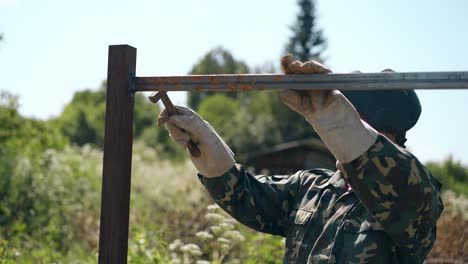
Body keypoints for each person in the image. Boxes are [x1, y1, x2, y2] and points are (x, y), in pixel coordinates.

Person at [157, 55, 444, 263]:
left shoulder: (417, 197)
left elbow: (399, 178)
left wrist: (340, 123)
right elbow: (244, 194)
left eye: (346, 116)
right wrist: (204, 141)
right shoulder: (311, 187)